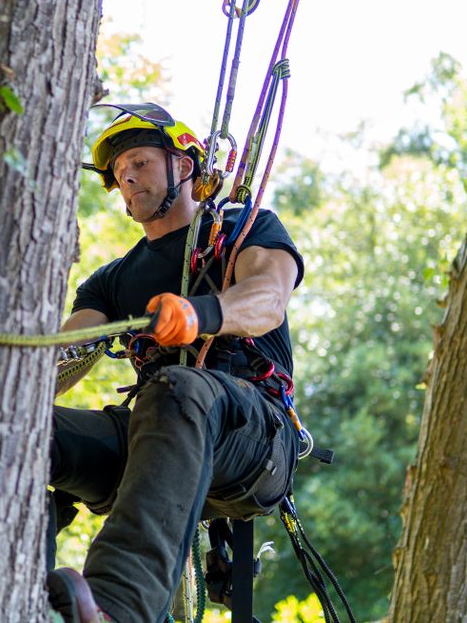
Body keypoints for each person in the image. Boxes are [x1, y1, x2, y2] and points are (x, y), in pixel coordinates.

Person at [48, 103, 305, 623]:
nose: (128, 177)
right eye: (120, 173)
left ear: (183, 166)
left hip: (253, 436)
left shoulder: (241, 229)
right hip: (159, 430)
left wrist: (201, 314)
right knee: (29, 430)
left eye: (140, 162)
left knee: (178, 388)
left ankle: (116, 609)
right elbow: (67, 354)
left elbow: (267, 297)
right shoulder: (111, 280)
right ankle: (17, 591)